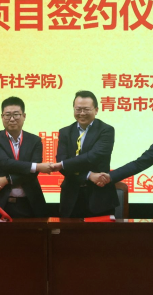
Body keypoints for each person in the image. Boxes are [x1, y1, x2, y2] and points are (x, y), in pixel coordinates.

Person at [0, 96, 53, 218]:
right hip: (0, 203)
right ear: (2, 117)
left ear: (24, 116)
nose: (12, 119)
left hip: (29, 203)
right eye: (7, 115)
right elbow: (4, 163)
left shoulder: (35, 141)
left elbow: (33, 174)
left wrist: (7, 179)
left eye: (16, 114)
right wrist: (36, 166)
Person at [51, 90, 120, 218]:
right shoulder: (65, 132)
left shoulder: (106, 130)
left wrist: (64, 164)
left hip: (99, 196)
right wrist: (88, 175)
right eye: (78, 109)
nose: (82, 113)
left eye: (86, 109)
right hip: (70, 198)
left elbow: (93, 157)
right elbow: (62, 163)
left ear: (96, 110)